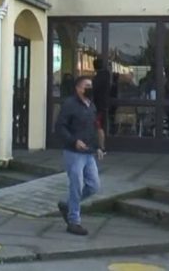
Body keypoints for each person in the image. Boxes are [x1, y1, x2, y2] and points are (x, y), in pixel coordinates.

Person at [55, 76, 104, 236]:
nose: (90, 88)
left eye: (91, 85)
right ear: (78, 88)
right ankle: (74, 221)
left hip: (88, 152)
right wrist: (74, 141)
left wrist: (98, 147)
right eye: (86, 86)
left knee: (94, 186)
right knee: (76, 185)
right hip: (73, 152)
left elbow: (93, 128)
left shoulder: (91, 105)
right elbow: (60, 127)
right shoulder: (70, 104)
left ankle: (68, 205)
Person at [92, 58, 110, 140]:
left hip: (98, 105)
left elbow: (94, 91)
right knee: (101, 125)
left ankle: (101, 145)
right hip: (105, 104)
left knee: (98, 126)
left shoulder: (97, 78)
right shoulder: (107, 75)